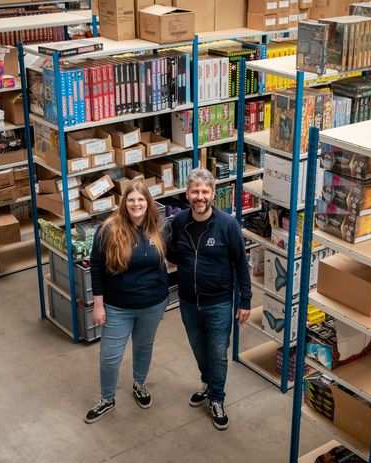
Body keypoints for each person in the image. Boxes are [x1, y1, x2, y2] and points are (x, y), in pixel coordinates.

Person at [167, 168, 252, 430]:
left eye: (205, 192)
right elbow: (172, 255)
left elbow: (241, 264)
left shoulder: (228, 225)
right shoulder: (179, 223)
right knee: (199, 350)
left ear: (213, 194)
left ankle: (217, 398)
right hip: (188, 301)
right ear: (187, 194)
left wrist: (245, 300)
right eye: (195, 191)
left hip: (219, 302)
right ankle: (208, 382)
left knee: (218, 353)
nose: (200, 197)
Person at [85, 182, 169, 423]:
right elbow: (97, 268)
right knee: (110, 355)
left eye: (141, 200)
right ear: (124, 203)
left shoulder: (159, 228)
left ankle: (139, 384)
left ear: (148, 203)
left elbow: (168, 260)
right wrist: (98, 305)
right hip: (117, 307)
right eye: (131, 200)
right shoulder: (108, 230)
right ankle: (107, 398)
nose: (136, 204)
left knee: (144, 347)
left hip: (152, 304)